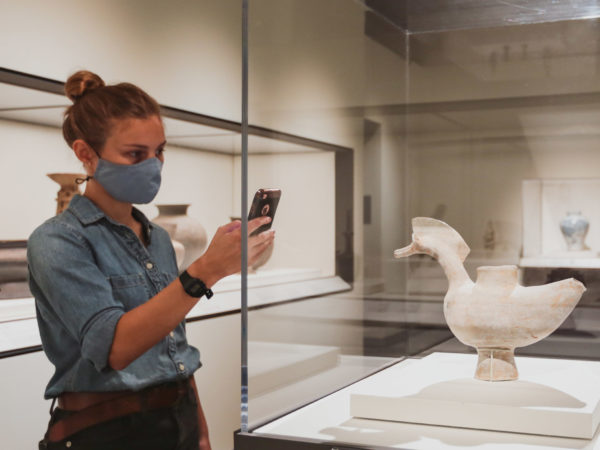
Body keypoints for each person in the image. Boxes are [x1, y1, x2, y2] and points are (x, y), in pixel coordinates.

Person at [27, 70, 275, 450]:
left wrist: (200, 432)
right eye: (135, 154)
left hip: (176, 420)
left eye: (158, 151)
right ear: (85, 154)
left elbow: (174, 346)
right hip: (106, 431)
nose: (153, 165)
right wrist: (206, 270)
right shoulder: (57, 241)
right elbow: (116, 348)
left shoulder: (158, 237)